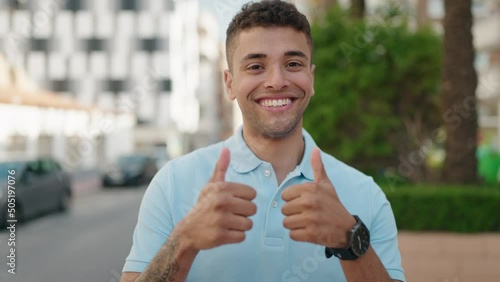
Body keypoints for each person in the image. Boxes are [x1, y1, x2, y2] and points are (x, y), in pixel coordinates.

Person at [121, 1, 405, 281]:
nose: (277, 81)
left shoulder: (366, 194)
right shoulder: (172, 183)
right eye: (256, 66)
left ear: (311, 77)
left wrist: (350, 239)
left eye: (293, 63)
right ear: (229, 83)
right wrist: (185, 240)